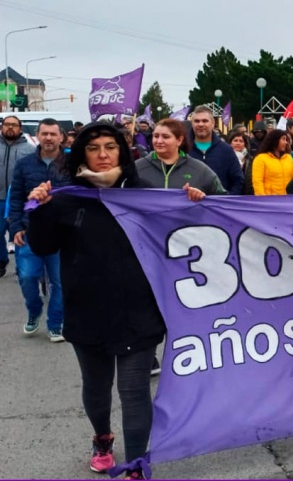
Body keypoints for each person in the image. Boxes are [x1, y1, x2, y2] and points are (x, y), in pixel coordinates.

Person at [25, 122, 200, 479]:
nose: (103, 155)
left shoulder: (147, 194)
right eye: (94, 148)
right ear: (81, 154)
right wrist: (40, 209)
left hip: (139, 308)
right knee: (97, 386)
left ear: (123, 150)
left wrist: (192, 205)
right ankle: (102, 439)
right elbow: (44, 247)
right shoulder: (65, 198)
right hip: (87, 307)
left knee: (135, 390)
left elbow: (181, 239)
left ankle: (136, 463)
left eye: (110, 147)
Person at [8, 118, 69, 341]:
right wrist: (15, 226)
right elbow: (15, 198)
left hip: (60, 232)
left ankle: (55, 323)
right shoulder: (24, 164)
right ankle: (34, 310)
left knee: (59, 281)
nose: (49, 138)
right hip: (29, 230)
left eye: (53, 134)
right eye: (45, 134)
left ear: (61, 137)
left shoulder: (71, 164)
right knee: (26, 277)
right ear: (38, 136)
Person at [136, 118, 225, 195]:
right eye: (156, 136)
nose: (159, 141)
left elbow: (223, 199)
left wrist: (202, 197)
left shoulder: (200, 169)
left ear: (179, 140)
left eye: (165, 137)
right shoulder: (137, 167)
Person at [0, 115, 36, 278]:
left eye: (14, 125)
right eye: (7, 124)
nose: (10, 128)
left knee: (20, 233)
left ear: (20, 128)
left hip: (20, 201)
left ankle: (22, 266)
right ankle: (1, 261)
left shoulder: (29, 149)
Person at [187, 105, 244, 194]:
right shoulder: (183, 149)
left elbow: (238, 180)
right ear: (192, 123)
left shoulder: (226, 150)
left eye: (205, 121)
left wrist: (228, 200)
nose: (200, 124)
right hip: (191, 204)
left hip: (219, 205)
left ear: (213, 123)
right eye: (196, 121)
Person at [252, 129, 293, 196]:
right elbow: (257, 182)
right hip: (270, 201)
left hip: (288, 200)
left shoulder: (289, 158)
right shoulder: (260, 159)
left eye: (286, 140)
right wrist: (262, 201)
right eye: (283, 139)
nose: (286, 142)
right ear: (275, 140)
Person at [228, 130, 255, 195]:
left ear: (245, 144)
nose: (238, 143)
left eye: (241, 141)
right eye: (235, 140)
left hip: (247, 193)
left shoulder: (250, 159)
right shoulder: (225, 157)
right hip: (230, 192)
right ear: (230, 143)